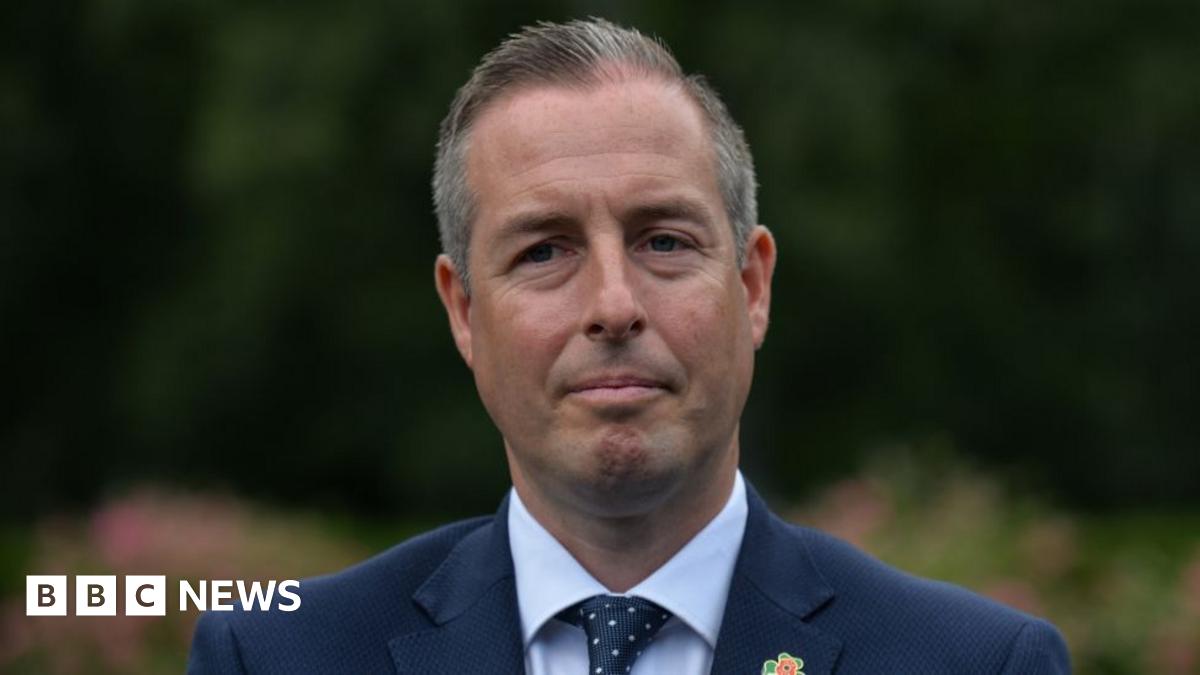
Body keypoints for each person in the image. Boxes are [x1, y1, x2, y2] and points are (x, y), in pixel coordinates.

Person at [188, 18, 1070, 674]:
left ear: (752, 286)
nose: (613, 305)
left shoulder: (977, 663)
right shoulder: (275, 656)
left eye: (664, 241)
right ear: (462, 310)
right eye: (544, 251)